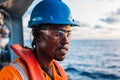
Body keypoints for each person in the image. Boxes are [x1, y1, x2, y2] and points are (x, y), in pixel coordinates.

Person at [0, 0, 79, 80]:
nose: (66, 41)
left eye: (68, 33)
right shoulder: (11, 75)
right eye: (58, 33)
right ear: (37, 34)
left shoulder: (60, 73)